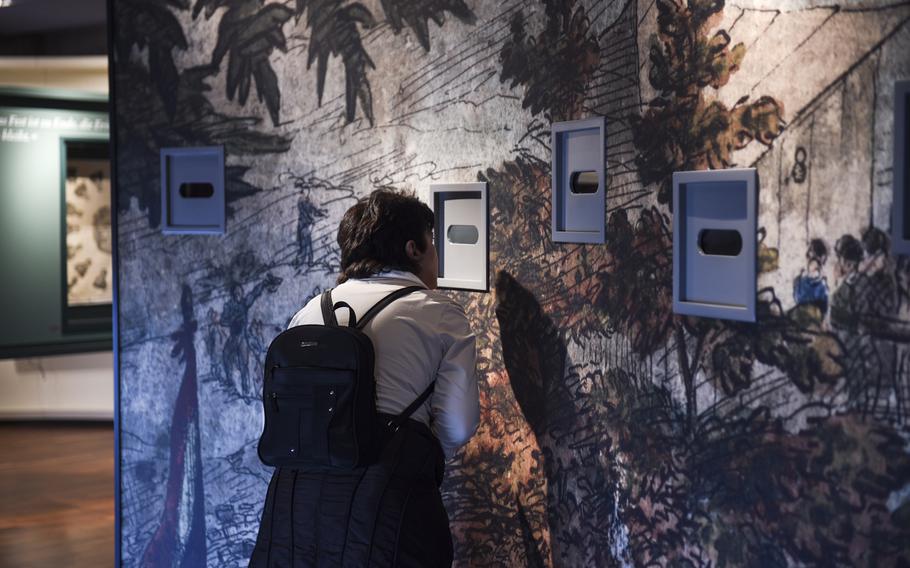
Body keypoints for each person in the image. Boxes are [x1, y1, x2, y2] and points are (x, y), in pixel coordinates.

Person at [249, 188, 480, 567]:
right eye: (432, 243)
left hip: (293, 504)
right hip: (388, 500)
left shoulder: (308, 313)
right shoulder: (439, 314)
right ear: (413, 249)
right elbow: (459, 424)